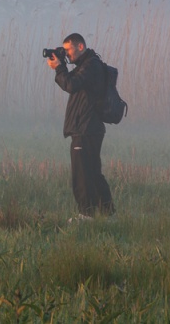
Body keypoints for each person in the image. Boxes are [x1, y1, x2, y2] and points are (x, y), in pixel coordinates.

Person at [46, 33, 115, 221]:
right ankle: (108, 215)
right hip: (89, 128)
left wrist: (60, 68)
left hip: (85, 128)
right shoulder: (88, 65)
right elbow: (73, 83)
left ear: (81, 47)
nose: (66, 54)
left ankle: (86, 215)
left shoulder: (91, 65)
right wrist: (62, 66)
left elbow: (70, 85)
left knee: (82, 174)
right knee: (93, 172)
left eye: (68, 50)